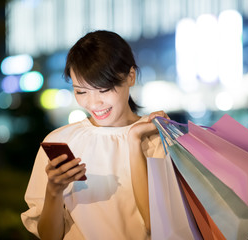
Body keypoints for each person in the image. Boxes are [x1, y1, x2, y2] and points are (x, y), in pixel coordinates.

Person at [21, 30, 167, 240]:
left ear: (130, 76)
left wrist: (134, 141)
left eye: (104, 89)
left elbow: (161, 227)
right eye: (81, 91)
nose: (93, 103)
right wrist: (54, 191)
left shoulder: (157, 139)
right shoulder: (59, 142)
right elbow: (49, 236)